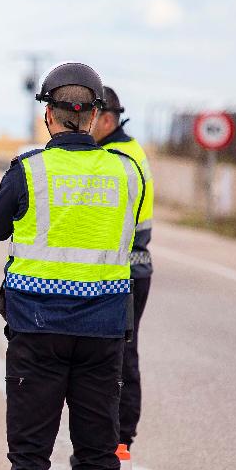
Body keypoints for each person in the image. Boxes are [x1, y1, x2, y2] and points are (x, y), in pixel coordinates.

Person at [0, 63, 145, 470]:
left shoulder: (28, 169)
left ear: (49, 117)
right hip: (102, 334)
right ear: (96, 116)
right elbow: (131, 225)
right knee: (97, 450)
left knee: (30, 451)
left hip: (37, 330)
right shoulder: (128, 171)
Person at [93, 86, 154, 451]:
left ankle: (119, 444)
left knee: (121, 360)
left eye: (90, 116)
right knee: (116, 357)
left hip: (127, 271)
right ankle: (112, 444)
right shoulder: (121, 151)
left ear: (108, 119)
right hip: (130, 269)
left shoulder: (119, 158)